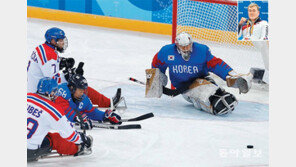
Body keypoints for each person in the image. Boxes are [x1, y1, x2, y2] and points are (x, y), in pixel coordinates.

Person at [147, 32, 253, 115]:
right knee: (216, 102)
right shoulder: (166, 51)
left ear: (191, 43)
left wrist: (230, 75)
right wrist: (154, 83)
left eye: (188, 46)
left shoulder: (202, 51)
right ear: (177, 45)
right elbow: (157, 64)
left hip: (203, 80)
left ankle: (215, 93)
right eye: (182, 46)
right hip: (185, 88)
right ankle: (208, 101)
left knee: (218, 95)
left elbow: (216, 64)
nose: (185, 49)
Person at [27, 27, 122, 109]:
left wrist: (62, 62)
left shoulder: (43, 48)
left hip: (36, 88)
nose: (63, 42)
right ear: (53, 41)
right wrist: (69, 76)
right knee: (78, 86)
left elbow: (47, 67)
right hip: (40, 93)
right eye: (60, 40)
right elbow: (52, 81)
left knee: (75, 84)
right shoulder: (49, 55)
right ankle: (105, 104)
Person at [27, 77, 93, 162]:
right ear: (49, 92)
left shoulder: (27, 97)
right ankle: (79, 148)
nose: (56, 94)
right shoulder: (53, 110)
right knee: (55, 139)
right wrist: (83, 139)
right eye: (54, 91)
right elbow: (70, 134)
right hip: (29, 152)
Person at [55, 74, 122, 129]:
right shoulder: (62, 92)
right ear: (72, 88)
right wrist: (77, 118)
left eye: (83, 90)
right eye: (80, 90)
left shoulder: (83, 98)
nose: (82, 92)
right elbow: (64, 111)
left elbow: (92, 112)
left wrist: (104, 116)